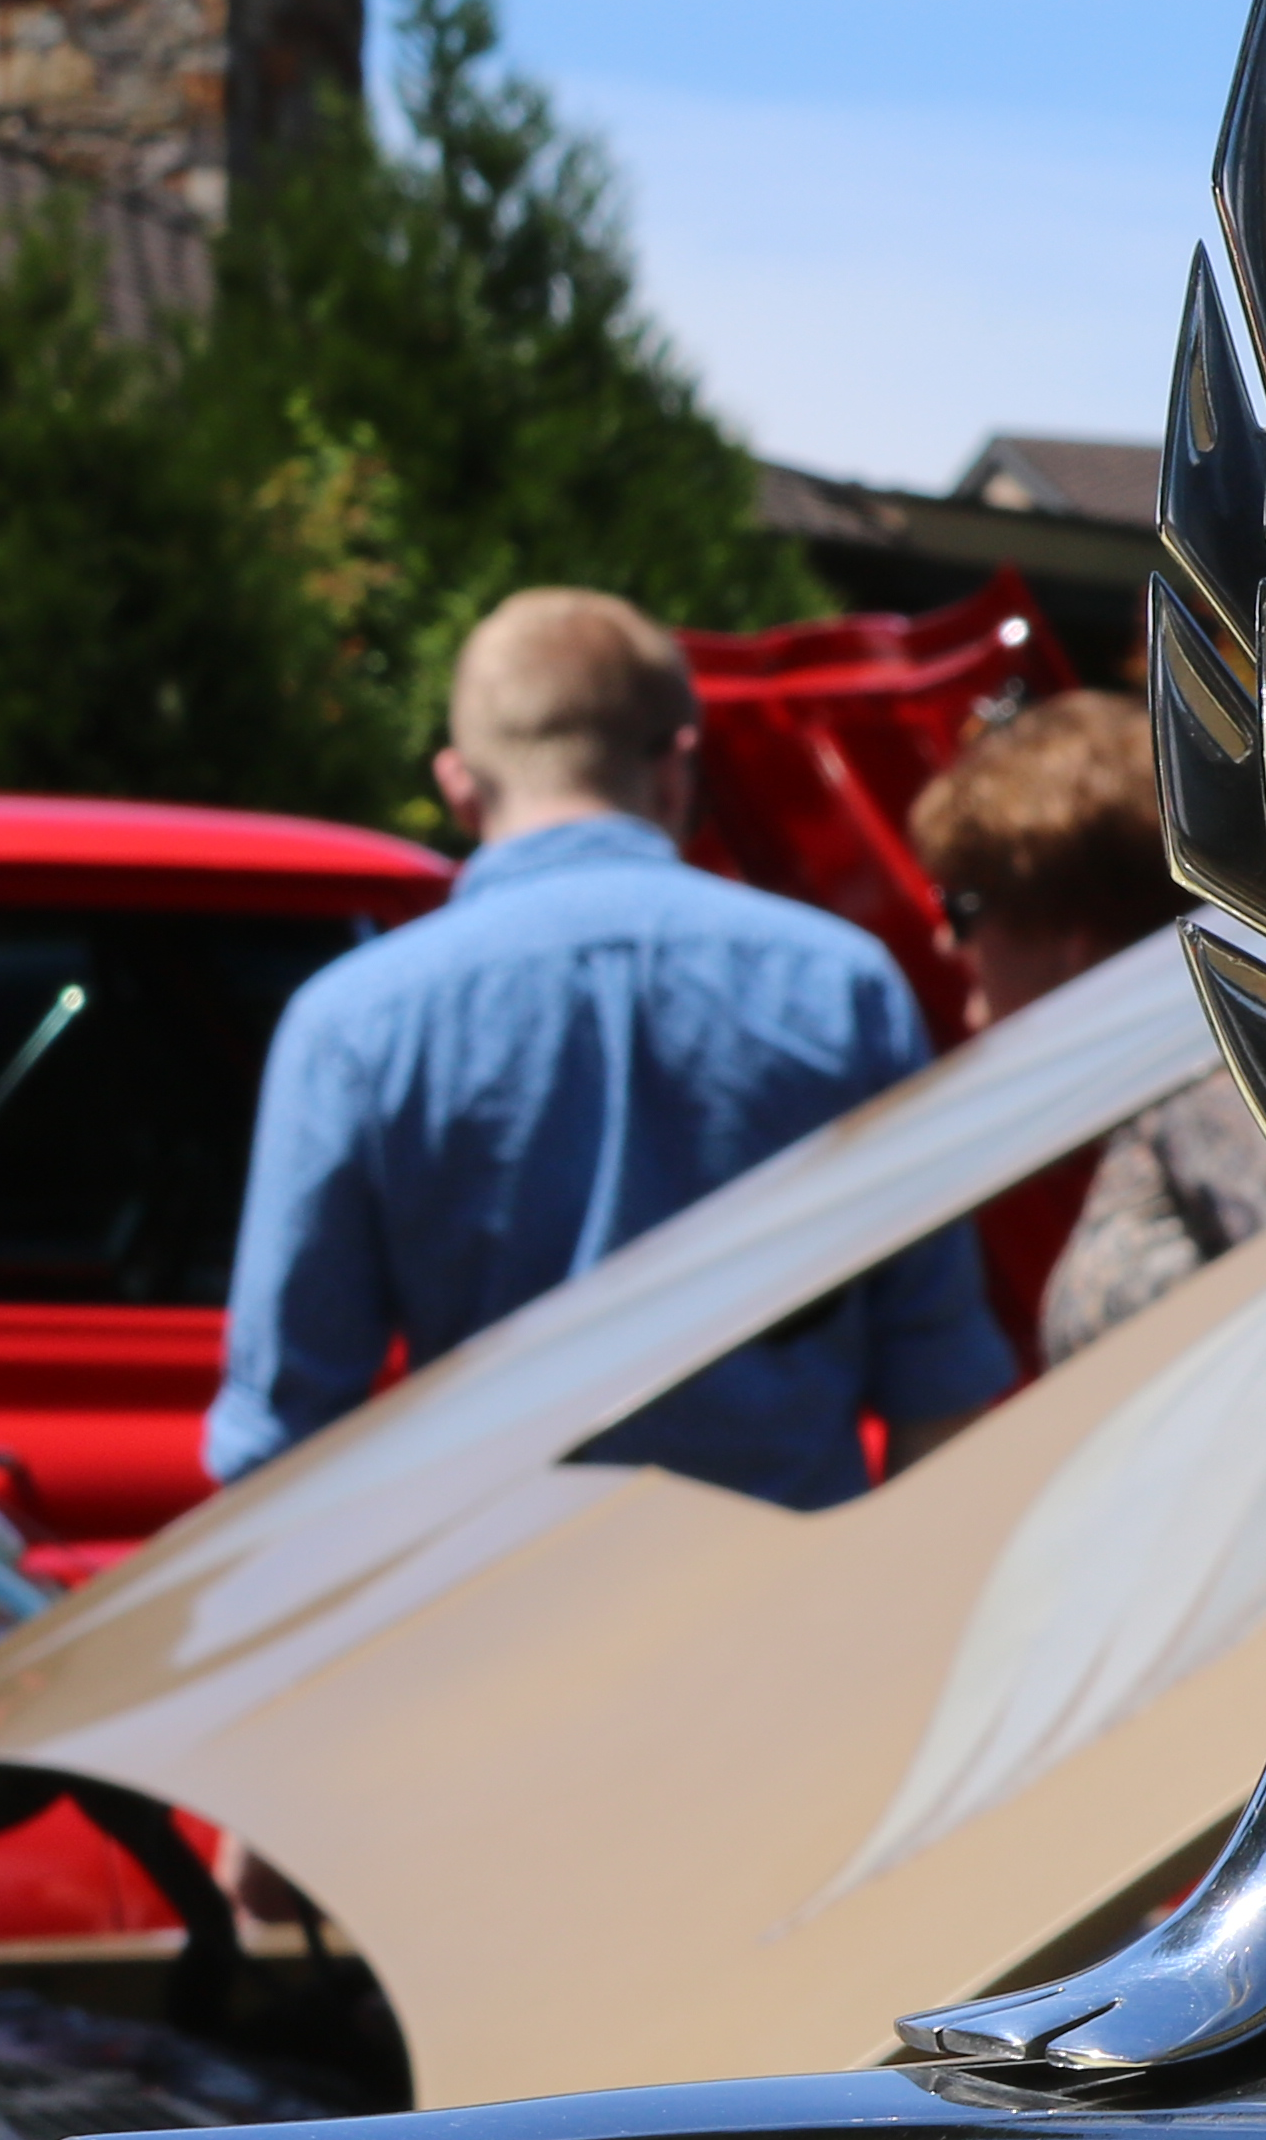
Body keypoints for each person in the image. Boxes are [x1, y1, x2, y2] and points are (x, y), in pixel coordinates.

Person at [206, 588, 1012, 1511]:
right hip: (784, 1616)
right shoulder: (843, 985)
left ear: (459, 787)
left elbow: (280, 1443)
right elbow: (938, 1387)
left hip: (496, 1620)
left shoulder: (350, 1025)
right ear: (678, 769)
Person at [903, 690, 1266, 1368]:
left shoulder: (1208, 1080)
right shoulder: (1186, 1071)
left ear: (1065, 926)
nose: (945, 941)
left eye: (964, 906)